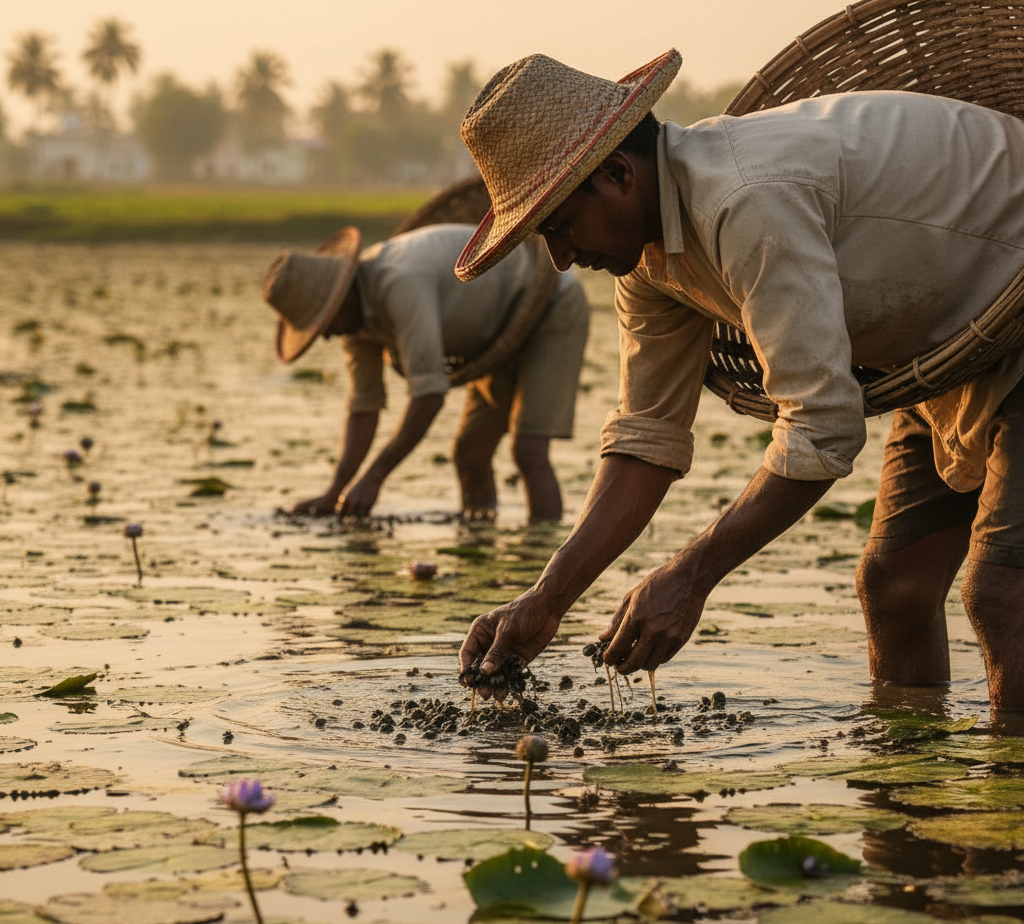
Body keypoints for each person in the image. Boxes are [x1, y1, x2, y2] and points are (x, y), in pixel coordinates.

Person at [454, 49, 1024, 709]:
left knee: (1003, 591)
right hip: (943, 354)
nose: (560, 259)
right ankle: (902, 792)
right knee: (893, 586)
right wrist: (545, 601)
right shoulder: (643, 264)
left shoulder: (744, 196)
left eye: (558, 226)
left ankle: (1005, 788)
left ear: (615, 174)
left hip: (1011, 306)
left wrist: (692, 575)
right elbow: (646, 438)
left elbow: (821, 426)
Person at [261, 222, 589, 523]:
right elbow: (364, 407)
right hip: (494, 339)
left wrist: (374, 478)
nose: (329, 336)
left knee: (528, 450)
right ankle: (481, 542)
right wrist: (335, 492)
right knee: (470, 452)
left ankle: (544, 565)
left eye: (325, 324)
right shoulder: (355, 327)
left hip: (549, 305)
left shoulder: (400, 281)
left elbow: (429, 396)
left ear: (340, 300)